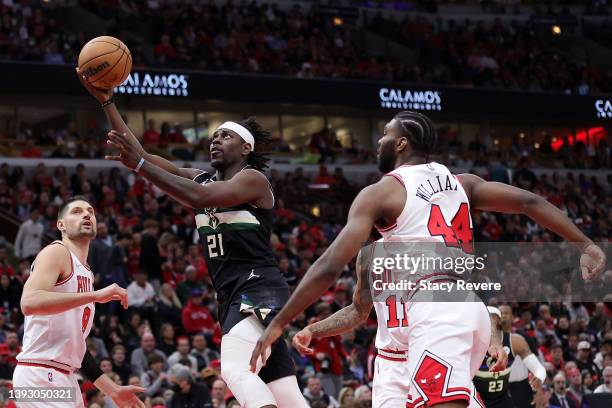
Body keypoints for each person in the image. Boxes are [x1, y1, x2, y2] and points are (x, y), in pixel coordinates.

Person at [251, 110, 606, 408]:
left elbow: (329, 264)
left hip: (436, 311)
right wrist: (585, 244)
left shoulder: (383, 192)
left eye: (386, 133)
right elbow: (530, 202)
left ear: (402, 143)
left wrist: (281, 322)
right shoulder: (461, 183)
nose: (379, 141)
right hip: (455, 311)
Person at [78, 70, 308, 408]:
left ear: (246, 147)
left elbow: (198, 198)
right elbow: (138, 152)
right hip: (229, 294)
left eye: (225, 136)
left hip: (258, 287)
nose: (215, 140)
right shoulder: (200, 177)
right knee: (285, 394)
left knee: (234, 368)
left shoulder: (253, 180)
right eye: (213, 136)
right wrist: (108, 102)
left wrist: (141, 164)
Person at [293, 248, 503, 407]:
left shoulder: (437, 249)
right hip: (392, 366)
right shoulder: (369, 255)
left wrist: (494, 341)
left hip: (435, 353)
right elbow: (358, 311)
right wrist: (313, 330)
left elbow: (468, 303)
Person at [13, 196, 145, 407]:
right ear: (61, 225)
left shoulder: (86, 272)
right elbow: (29, 302)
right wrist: (95, 295)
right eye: (76, 211)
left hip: (66, 377)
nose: (86, 214)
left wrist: (114, 390)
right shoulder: (57, 252)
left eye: (90, 211)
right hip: (39, 373)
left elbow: (76, 347)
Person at [474, 306, 546, 408]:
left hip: (502, 398)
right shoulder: (472, 342)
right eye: (484, 318)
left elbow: (539, 368)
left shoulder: (515, 341)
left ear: (499, 321)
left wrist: (539, 379)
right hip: (477, 398)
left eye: (491, 317)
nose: (488, 320)